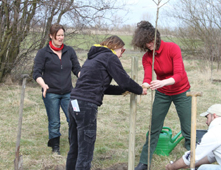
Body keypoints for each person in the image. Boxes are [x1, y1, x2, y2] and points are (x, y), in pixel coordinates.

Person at [66, 35, 145, 170]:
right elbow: (124, 80)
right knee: (85, 152)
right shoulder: (110, 57)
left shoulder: (93, 58)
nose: (121, 55)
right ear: (115, 47)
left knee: (75, 147)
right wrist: (139, 89)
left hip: (74, 103)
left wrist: (122, 91)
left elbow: (100, 86)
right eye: (122, 50)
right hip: (86, 107)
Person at [131, 21, 192, 170]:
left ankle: (195, 157)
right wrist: (144, 86)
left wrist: (162, 82)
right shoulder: (147, 57)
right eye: (146, 43)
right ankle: (144, 162)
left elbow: (179, 74)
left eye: (151, 41)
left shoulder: (172, 48)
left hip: (181, 91)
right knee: (154, 127)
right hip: (162, 94)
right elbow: (147, 77)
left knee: (188, 128)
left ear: (156, 37)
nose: (149, 45)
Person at [33, 23, 81, 154]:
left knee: (73, 118)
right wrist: (43, 85)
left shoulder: (69, 51)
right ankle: (55, 147)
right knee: (54, 121)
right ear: (51, 36)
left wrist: (82, 76)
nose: (60, 38)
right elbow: (36, 73)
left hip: (68, 92)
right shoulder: (43, 53)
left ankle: (74, 145)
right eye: (58, 35)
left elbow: (76, 68)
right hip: (51, 93)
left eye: (62, 35)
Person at [165, 104, 221, 170]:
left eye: (207, 117)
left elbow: (192, 156)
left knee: (204, 169)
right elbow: (210, 157)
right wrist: (189, 165)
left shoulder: (216, 132)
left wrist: (172, 167)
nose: (206, 122)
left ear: (214, 116)